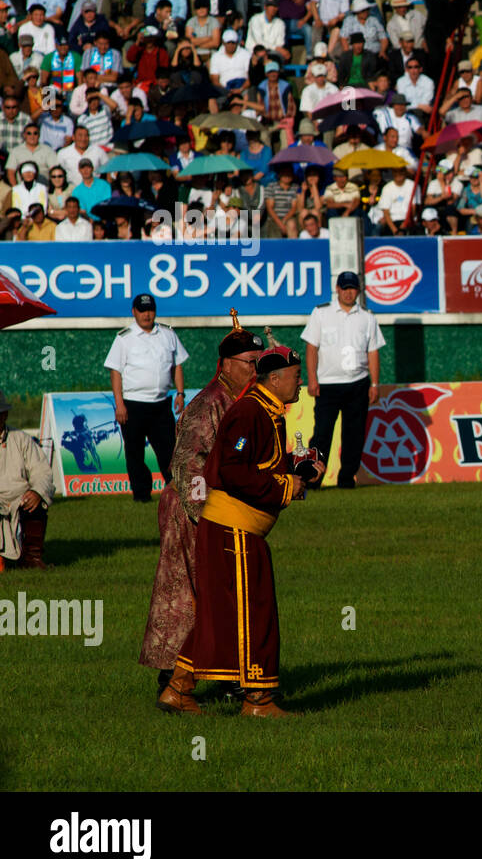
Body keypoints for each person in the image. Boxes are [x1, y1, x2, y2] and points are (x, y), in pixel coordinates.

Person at [166, 343, 325, 718]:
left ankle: (178, 688)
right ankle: (258, 700)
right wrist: (284, 487)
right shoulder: (249, 411)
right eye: (296, 376)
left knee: (219, 614)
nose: (300, 383)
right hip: (232, 531)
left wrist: (298, 469)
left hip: (235, 530)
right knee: (256, 613)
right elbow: (234, 470)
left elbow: (260, 462)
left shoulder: (268, 411)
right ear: (274, 379)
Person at [140, 311, 264, 699]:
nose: (255, 370)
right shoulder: (209, 401)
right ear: (226, 364)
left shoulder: (239, 400)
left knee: (218, 590)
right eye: (249, 364)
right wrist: (207, 516)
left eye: (260, 364)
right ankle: (175, 677)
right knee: (189, 592)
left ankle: (222, 672)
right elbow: (188, 461)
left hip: (217, 507)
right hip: (192, 509)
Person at [302, 271, 385, 489]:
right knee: (321, 435)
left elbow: (373, 352)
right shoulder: (321, 313)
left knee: (354, 435)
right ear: (337, 289)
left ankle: (347, 479)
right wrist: (312, 379)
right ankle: (313, 478)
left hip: (358, 383)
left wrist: (374, 384)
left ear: (358, 290)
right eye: (345, 288)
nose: (348, 293)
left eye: (352, 288)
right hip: (328, 385)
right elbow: (312, 348)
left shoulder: (367, 317)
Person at [104, 294, 188, 503]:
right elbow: (115, 371)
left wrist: (180, 393)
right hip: (133, 404)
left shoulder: (168, 334)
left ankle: (175, 492)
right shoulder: (124, 338)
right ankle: (141, 495)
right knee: (135, 453)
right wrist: (119, 404)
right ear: (134, 312)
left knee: (169, 451)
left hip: (161, 404)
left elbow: (177, 364)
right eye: (142, 311)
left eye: (150, 310)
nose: (147, 314)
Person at [0, 388, 55, 571]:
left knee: (36, 503)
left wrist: (37, 492)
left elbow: (42, 472)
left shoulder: (21, 440)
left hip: (18, 499)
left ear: (5, 415)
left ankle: (31, 558)